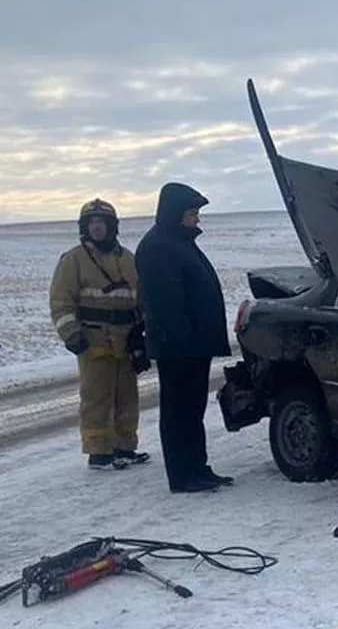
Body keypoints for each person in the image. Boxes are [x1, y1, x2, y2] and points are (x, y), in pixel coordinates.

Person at [135, 182, 232, 493]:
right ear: (175, 214)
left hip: (193, 345)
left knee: (192, 409)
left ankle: (198, 468)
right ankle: (182, 475)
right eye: (192, 213)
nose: (197, 219)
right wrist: (183, 340)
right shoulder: (158, 247)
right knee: (178, 411)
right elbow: (167, 302)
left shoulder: (178, 242)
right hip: (179, 347)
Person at [49, 198, 148, 471]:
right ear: (84, 227)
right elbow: (60, 302)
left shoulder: (128, 259)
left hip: (126, 341)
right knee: (96, 398)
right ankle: (99, 452)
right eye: (91, 223)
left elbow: (142, 300)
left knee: (127, 397)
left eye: (101, 223)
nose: (97, 228)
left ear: (112, 226)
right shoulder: (74, 260)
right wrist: (71, 334)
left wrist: (142, 337)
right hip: (93, 343)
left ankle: (125, 447)